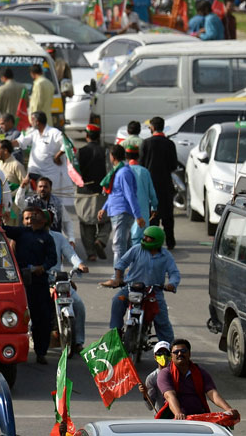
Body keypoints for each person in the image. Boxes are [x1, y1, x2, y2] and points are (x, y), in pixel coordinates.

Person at [103, 225, 179, 344]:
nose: (145, 239)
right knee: (117, 300)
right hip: (131, 288)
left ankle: (169, 349)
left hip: (153, 292)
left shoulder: (166, 256)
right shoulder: (136, 249)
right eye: (144, 236)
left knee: (162, 319)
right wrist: (118, 278)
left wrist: (172, 284)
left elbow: (174, 272)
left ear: (157, 240)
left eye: (149, 238)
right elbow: (121, 263)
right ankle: (115, 333)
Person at [2, 204, 58, 364]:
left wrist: (43, 267)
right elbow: (3, 229)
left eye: (36, 215)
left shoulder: (47, 238)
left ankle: (41, 352)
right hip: (20, 281)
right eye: (29, 216)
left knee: (42, 318)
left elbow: (52, 258)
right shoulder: (21, 233)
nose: (32, 218)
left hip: (39, 281)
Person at [156, 338, 239, 421]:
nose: (180, 354)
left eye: (183, 351)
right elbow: (169, 396)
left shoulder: (200, 372)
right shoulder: (165, 373)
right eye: (176, 352)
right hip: (176, 418)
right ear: (171, 355)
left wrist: (228, 409)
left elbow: (212, 393)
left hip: (199, 418)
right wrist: (178, 413)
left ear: (189, 353)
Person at [98, 144, 144, 264]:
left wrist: (138, 216)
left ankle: (117, 276)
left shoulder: (123, 173)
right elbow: (115, 194)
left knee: (118, 245)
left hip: (122, 213)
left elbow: (130, 195)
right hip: (117, 211)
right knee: (126, 245)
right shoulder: (118, 171)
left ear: (112, 157)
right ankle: (129, 274)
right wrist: (104, 208)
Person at [49, 222, 89, 352]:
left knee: (78, 305)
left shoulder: (58, 237)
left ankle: (78, 342)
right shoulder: (30, 238)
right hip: (40, 281)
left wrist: (79, 265)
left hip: (58, 280)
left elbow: (70, 254)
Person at [140, 116, 178, 250]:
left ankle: (152, 240)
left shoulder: (146, 143)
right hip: (166, 185)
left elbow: (142, 165)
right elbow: (174, 165)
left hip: (150, 185)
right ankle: (170, 242)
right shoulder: (169, 144)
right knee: (167, 215)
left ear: (153, 127)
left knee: (152, 215)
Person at [76, 124, 109, 260]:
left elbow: (75, 172)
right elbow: (109, 171)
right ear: (99, 136)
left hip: (83, 191)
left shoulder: (80, 152)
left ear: (86, 136)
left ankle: (91, 253)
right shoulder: (105, 151)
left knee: (85, 223)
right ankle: (101, 240)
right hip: (102, 192)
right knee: (106, 220)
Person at [141, 341, 171, 410]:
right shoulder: (152, 378)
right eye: (159, 353)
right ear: (155, 356)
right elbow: (150, 406)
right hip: (161, 417)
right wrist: (145, 394)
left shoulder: (177, 373)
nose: (163, 356)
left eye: (166, 353)